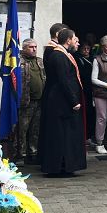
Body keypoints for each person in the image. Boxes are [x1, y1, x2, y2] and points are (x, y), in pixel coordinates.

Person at [39, 29, 88, 177]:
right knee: (61, 135)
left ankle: (67, 165)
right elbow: (63, 80)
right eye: (74, 39)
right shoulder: (58, 56)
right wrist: (73, 100)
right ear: (68, 40)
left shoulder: (64, 54)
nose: (76, 42)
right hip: (61, 102)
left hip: (63, 101)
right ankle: (60, 166)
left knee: (66, 134)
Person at [19, 39, 47, 164]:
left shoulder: (40, 61)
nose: (34, 49)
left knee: (36, 128)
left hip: (40, 100)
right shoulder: (19, 61)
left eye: (36, 47)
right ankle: (21, 154)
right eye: (31, 47)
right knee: (22, 129)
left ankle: (33, 152)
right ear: (24, 48)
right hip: (26, 101)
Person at [75, 41, 96, 149]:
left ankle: (90, 136)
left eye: (88, 49)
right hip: (83, 89)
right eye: (84, 48)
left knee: (92, 114)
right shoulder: (77, 59)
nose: (86, 51)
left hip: (93, 89)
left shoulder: (93, 59)